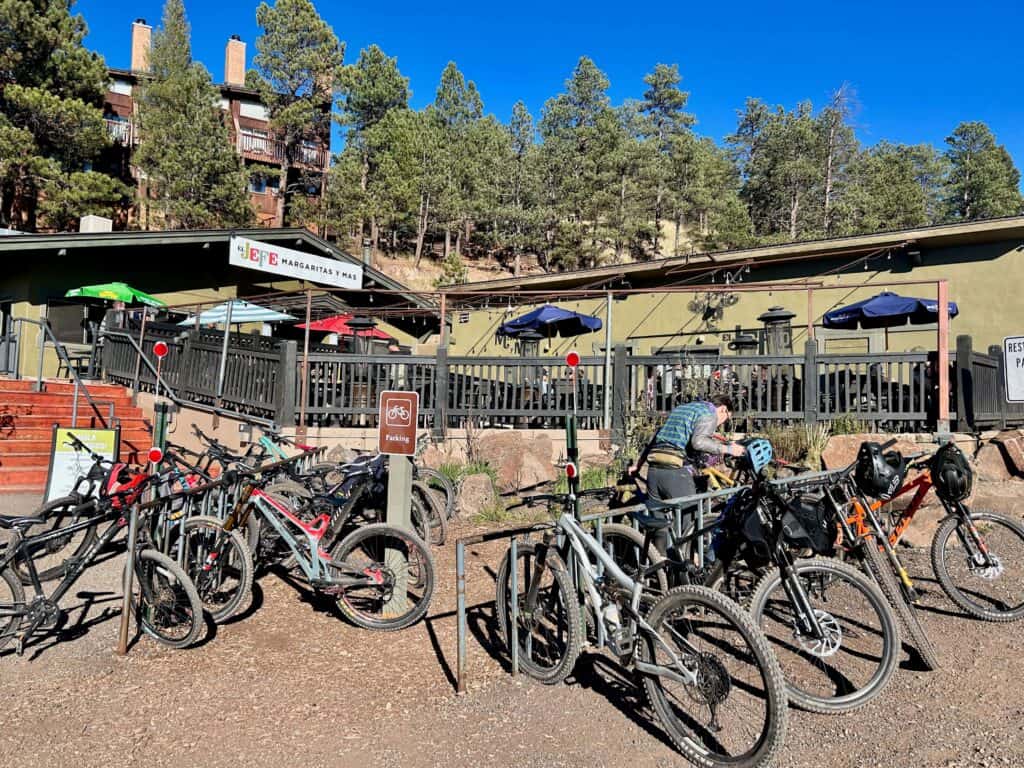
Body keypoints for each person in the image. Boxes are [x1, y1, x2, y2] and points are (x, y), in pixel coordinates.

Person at [630, 394, 745, 550]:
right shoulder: (709, 413)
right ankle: (685, 568)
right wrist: (729, 449)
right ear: (723, 409)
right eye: (726, 419)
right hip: (674, 472)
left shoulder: (682, 409)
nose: (721, 424)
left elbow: (657, 436)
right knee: (689, 526)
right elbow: (698, 442)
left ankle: (658, 568)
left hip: (654, 471)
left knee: (659, 527)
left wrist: (638, 464)